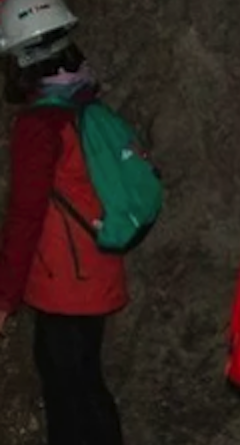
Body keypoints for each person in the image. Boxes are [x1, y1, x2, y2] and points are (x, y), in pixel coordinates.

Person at [0, 0, 129, 443]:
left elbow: (25, 214)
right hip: (97, 270)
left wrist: (5, 296)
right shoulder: (85, 103)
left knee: (72, 398)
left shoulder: (41, 126)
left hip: (63, 285)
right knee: (86, 387)